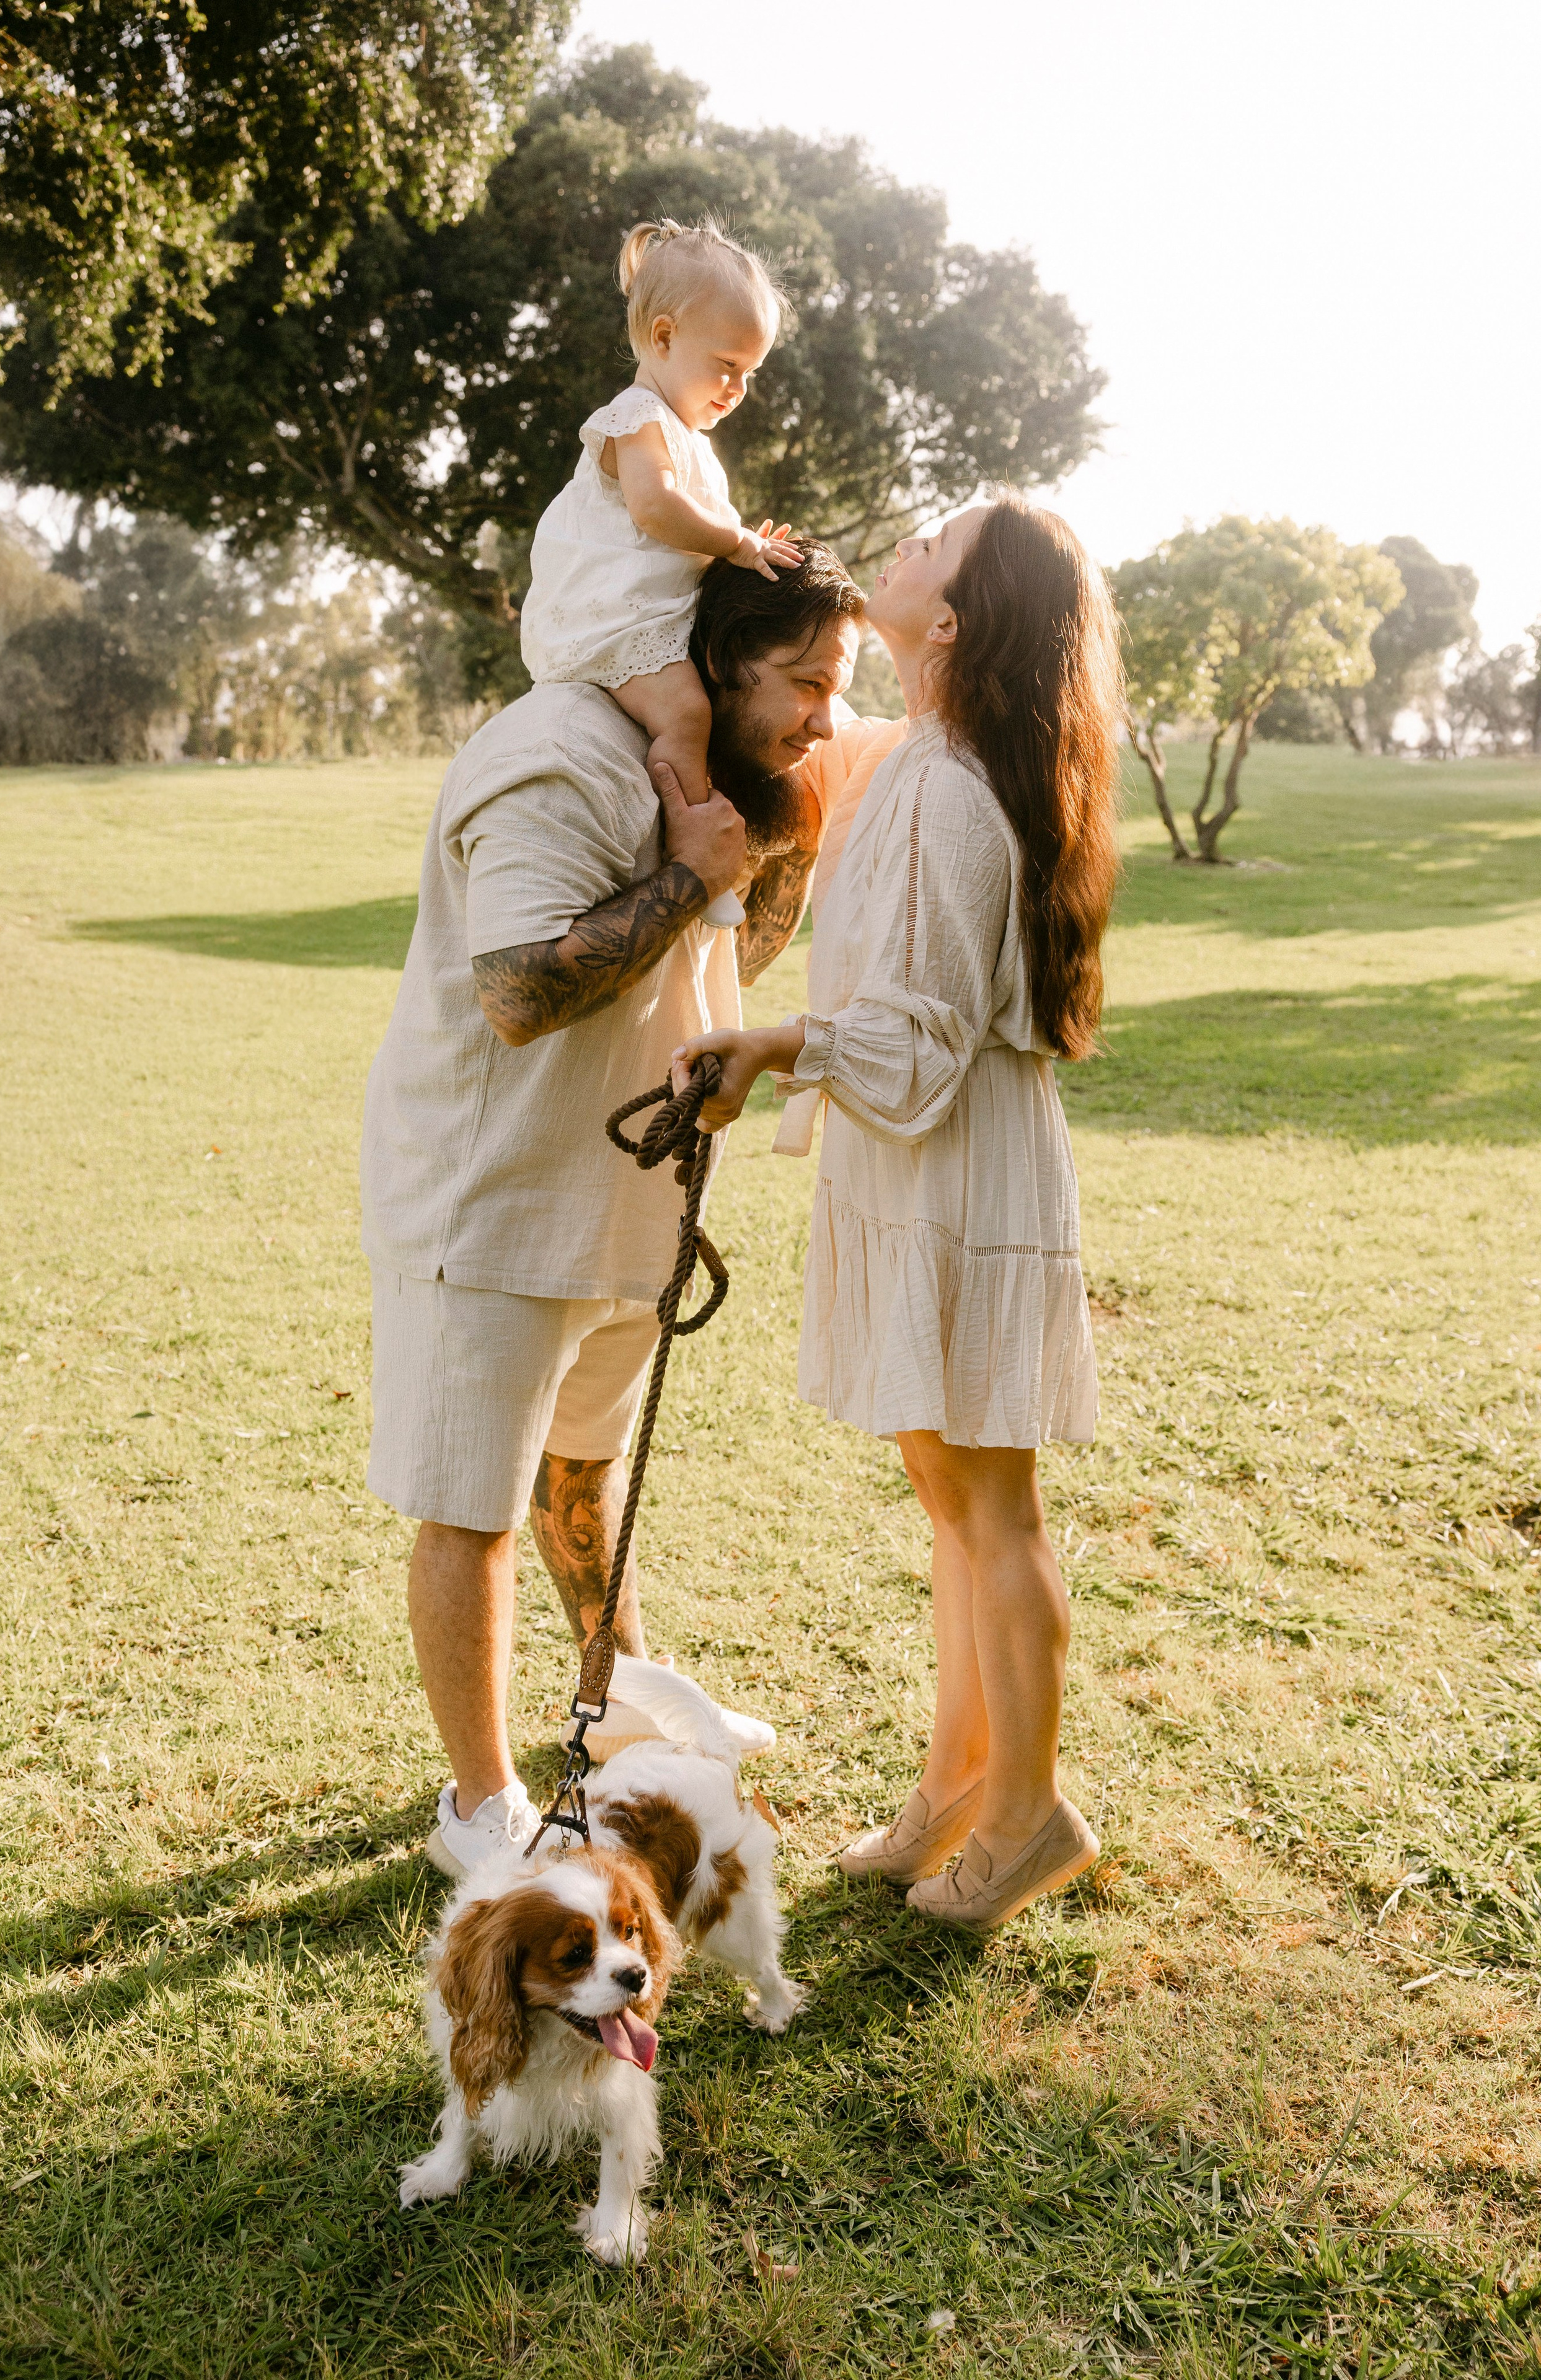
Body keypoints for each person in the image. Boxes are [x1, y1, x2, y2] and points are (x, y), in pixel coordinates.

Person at [361, 540, 867, 1879]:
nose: (824, 714)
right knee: (469, 1506)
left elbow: (719, 959)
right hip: (495, 1204)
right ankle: (478, 1811)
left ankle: (619, 1705)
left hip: (624, 1201)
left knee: (578, 1472)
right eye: (805, 684)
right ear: (710, 657)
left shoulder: (711, 782)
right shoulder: (560, 760)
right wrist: (701, 871)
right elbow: (521, 993)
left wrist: (775, 852)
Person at [672, 493, 1121, 1932]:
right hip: (925, 1160)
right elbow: (801, 733)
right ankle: (955, 1786)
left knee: (992, 1507)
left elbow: (920, 1030)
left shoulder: (944, 783)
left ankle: (1027, 1808)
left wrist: (773, 1042)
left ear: (954, 617)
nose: (908, 538)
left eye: (936, 540)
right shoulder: (922, 754)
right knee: (952, 1501)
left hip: (953, 1157)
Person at [519, 218, 801, 928]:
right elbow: (653, 508)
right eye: (728, 365)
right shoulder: (636, 417)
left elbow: (688, 525)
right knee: (687, 711)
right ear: (666, 337)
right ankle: (691, 852)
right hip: (612, 618)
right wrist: (734, 542)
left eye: (751, 373)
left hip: (656, 612)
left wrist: (736, 548)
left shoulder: (687, 438)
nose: (737, 388)